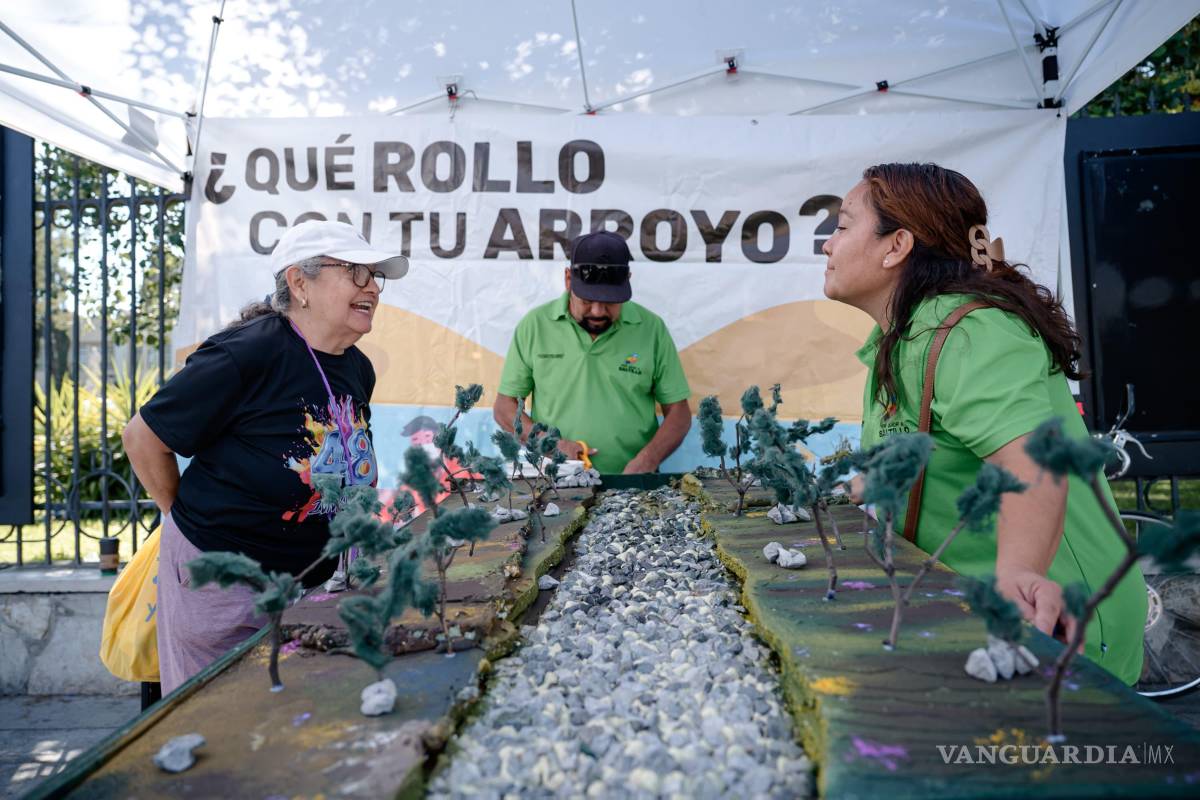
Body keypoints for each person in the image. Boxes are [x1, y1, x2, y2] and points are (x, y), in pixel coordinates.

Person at [824, 163, 1145, 684]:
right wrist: (858, 487)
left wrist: (1019, 573)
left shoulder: (971, 330)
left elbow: (1032, 463)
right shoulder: (903, 337)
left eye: (841, 226)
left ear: (896, 246)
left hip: (1056, 615)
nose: (828, 245)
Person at [122, 220, 408, 693]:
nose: (373, 288)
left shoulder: (357, 367)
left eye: (375, 275)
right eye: (355, 271)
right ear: (300, 283)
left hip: (310, 584)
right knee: (218, 716)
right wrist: (187, 525)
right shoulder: (248, 352)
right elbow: (142, 439)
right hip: (226, 585)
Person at [493, 231, 692, 474]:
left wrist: (649, 459)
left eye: (610, 301)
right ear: (568, 279)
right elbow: (505, 407)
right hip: (556, 482)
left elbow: (679, 413)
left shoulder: (652, 329)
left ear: (627, 280)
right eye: (587, 300)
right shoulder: (535, 326)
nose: (597, 311)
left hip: (633, 485)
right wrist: (551, 444)